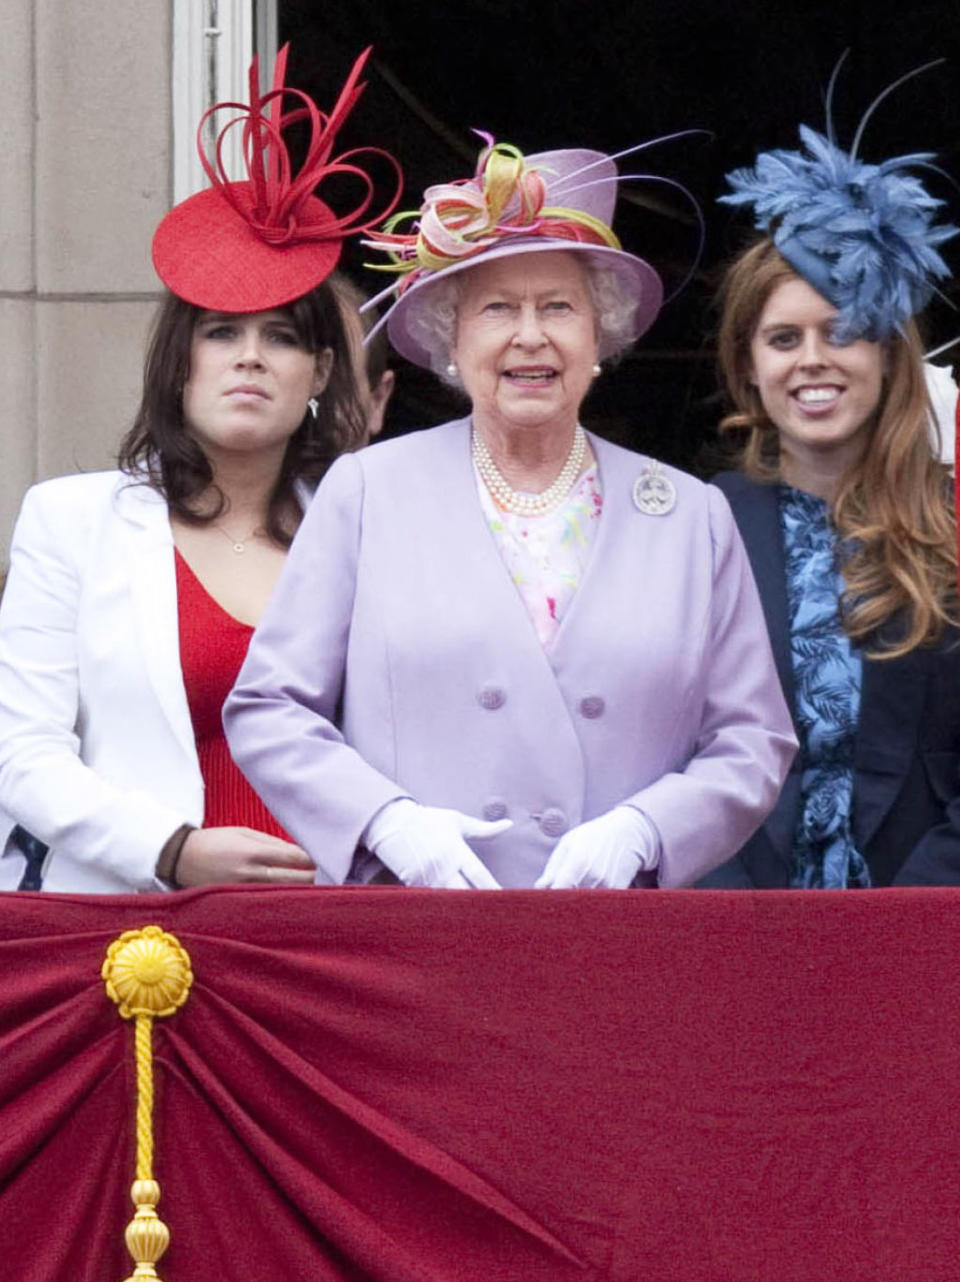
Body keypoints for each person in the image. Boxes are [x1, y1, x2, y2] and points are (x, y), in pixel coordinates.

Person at [223, 134, 797, 890]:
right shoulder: (367, 491)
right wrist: (383, 822)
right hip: (414, 927)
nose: (531, 335)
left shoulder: (690, 517)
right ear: (451, 342)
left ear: (601, 339)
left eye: (559, 307)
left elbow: (753, 739)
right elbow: (269, 706)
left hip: (616, 934)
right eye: (498, 308)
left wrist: (648, 832)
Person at [0, 46, 398, 892]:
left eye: (282, 338)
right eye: (222, 332)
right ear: (179, 361)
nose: (250, 359)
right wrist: (172, 847)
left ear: (321, 375)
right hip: (137, 936)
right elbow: (22, 754)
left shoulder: (371, 531)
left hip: (336, 933)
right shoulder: (71, 521)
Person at [699, 68, 960, 888]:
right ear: (749, 363)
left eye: (842, 331)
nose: (812, 360)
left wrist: (914, 917)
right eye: (783, 339)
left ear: (888, 354)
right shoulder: (698, 522)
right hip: (733, 929)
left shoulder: (956, 518)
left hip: (926, 926)